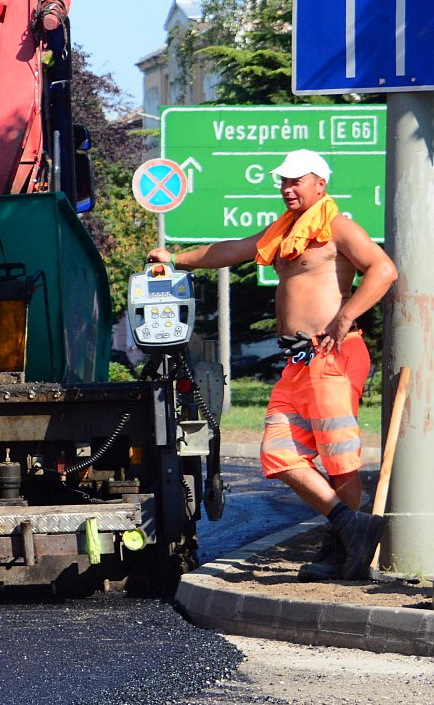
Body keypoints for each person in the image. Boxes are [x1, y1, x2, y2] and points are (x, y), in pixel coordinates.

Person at [147, 148, 398, 581]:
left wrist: (347, 314)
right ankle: (349, 526)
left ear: (320, 182)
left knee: (340, 461)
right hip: (298, 360)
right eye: (283, 181)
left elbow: (383, 269)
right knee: (277, 454)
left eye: (295, 181)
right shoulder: (284, 231)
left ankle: (340, 549)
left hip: (333, 355)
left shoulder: (337, 227)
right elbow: (232, 250)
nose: (286, 188)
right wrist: (175, 258)